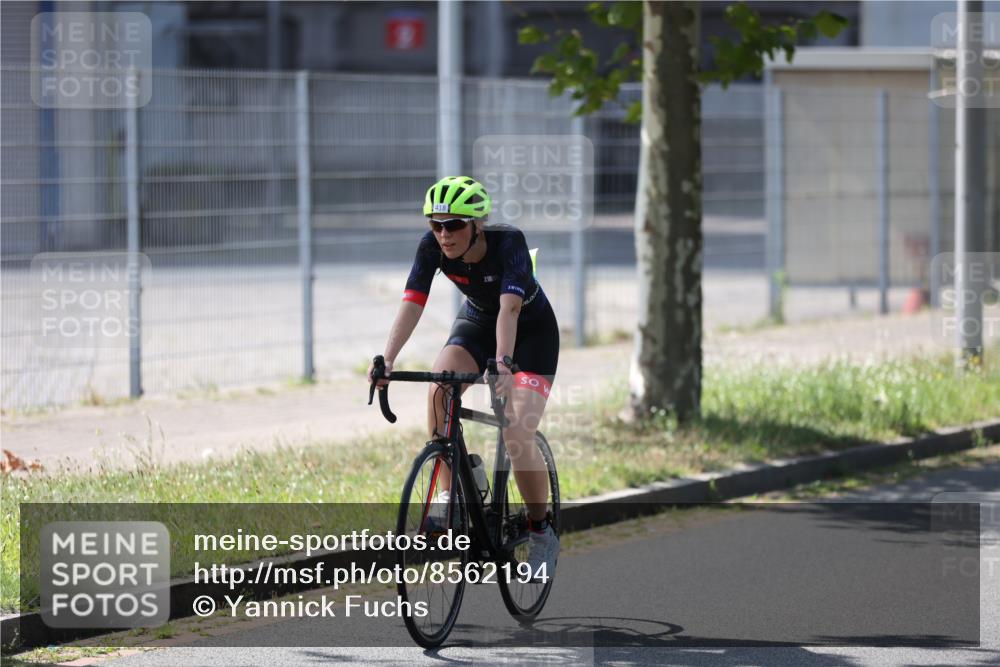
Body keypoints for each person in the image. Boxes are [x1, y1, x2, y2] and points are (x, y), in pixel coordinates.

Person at [368, 175, 560, 579]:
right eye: (435, 224)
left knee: (516, 431)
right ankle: (451, 490)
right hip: (476, 323)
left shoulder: (509, 243)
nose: (444, 234)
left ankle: (541, 531)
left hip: (529, 334)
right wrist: (388, 359)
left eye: (453, 224)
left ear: (477, 224)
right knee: (441, 385)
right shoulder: (431, 247)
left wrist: (503, 362)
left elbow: (510, 310)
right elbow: (413, 301)